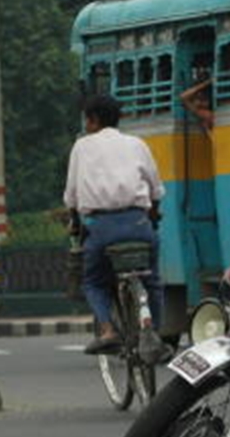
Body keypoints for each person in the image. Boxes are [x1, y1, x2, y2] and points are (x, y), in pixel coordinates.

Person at [63, 94, 167, 358]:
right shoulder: (137, 144)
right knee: (152, 280)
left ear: (94, 119)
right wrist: (152, 216)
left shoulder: (82, 147)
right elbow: (155, 190)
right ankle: (152, 330)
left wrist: (75, 224)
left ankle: (108, 330)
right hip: (138, 223)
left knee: (94, 282)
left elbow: (72, 196)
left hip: (101, 228)